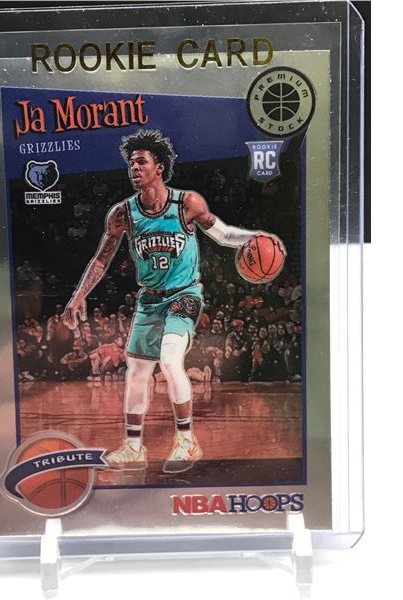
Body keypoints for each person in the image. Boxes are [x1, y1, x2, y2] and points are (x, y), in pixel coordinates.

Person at [62, 129, 283, 473]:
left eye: (141, 162)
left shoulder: (187, 204)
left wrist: (253, 237)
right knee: (137, 372)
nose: (134, 168)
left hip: (184, 295)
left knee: (169, 359)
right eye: (131, 163)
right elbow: (102, 258)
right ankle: (134, 447)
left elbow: (223, 233)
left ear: (159, 167)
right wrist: (79, 295)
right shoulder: (123, 213)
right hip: (150, 301)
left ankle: (187, 440)